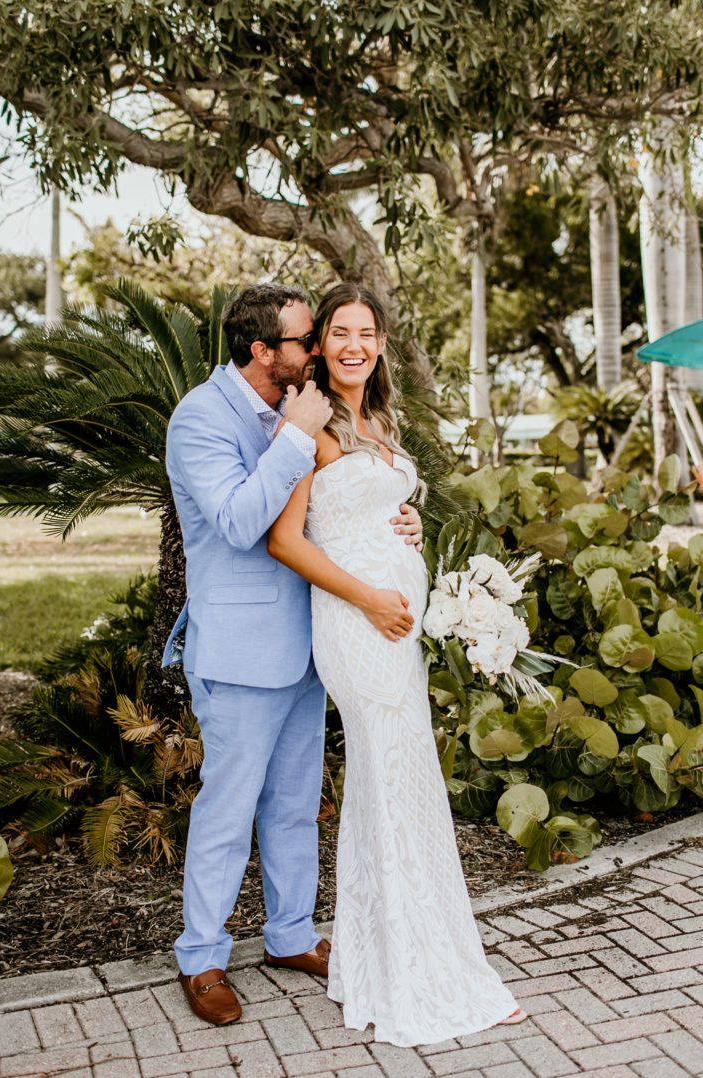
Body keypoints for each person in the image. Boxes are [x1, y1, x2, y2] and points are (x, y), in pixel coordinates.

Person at [268, 282, 526, 1047]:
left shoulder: (378, 419)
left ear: (380, 343)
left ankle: (409, 955)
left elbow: (376, 502)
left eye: (367, 332)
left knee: (406, 785)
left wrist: (404, 516)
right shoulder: (309, 421)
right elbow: (287, 540)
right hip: (355, 627)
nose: (354, 345)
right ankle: (405, 975)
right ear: (320, 345)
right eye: (339, 332)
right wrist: (373, 600)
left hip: (397, 630)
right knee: (389, 784)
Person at [162, 284, 423, 1026]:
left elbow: (335, 504)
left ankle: (289, 934)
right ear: (261, 352)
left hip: (315, 639)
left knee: (293, 804)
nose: (316, 352)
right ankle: (202, 956)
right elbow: (245, 524)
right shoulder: (201, 419)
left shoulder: (299, 406)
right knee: (228, 806)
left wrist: (396, 518)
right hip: (241, 648)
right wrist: (295, 437)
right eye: (305, 341)